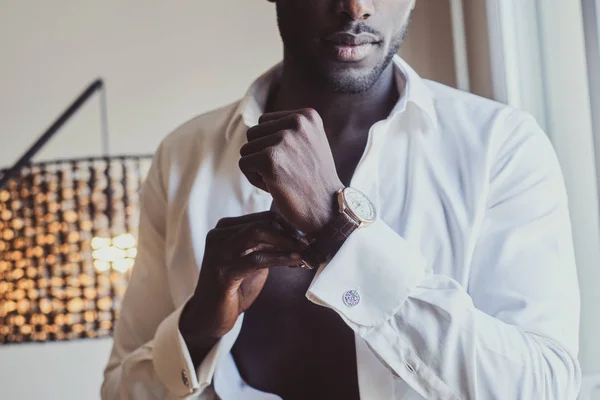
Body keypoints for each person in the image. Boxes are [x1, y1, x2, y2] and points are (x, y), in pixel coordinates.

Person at [101, 0, 582, 399]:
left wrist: (338, 229)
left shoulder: (500, 147)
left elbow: (542, 386)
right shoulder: (185, 158)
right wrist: (199, 327)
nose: (356, 7)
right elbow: (120, 391)